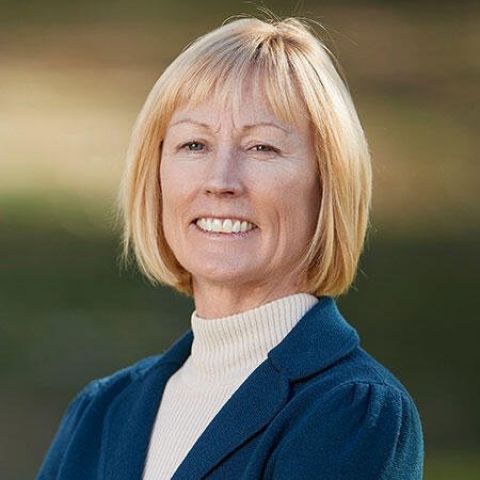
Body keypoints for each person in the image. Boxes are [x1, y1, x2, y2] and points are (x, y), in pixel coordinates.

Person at [36, 13, 424, 480]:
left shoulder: (352, 412)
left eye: (262, 148)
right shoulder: (100, 414)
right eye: (194, 145)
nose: (220, 182)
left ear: (327, 184)